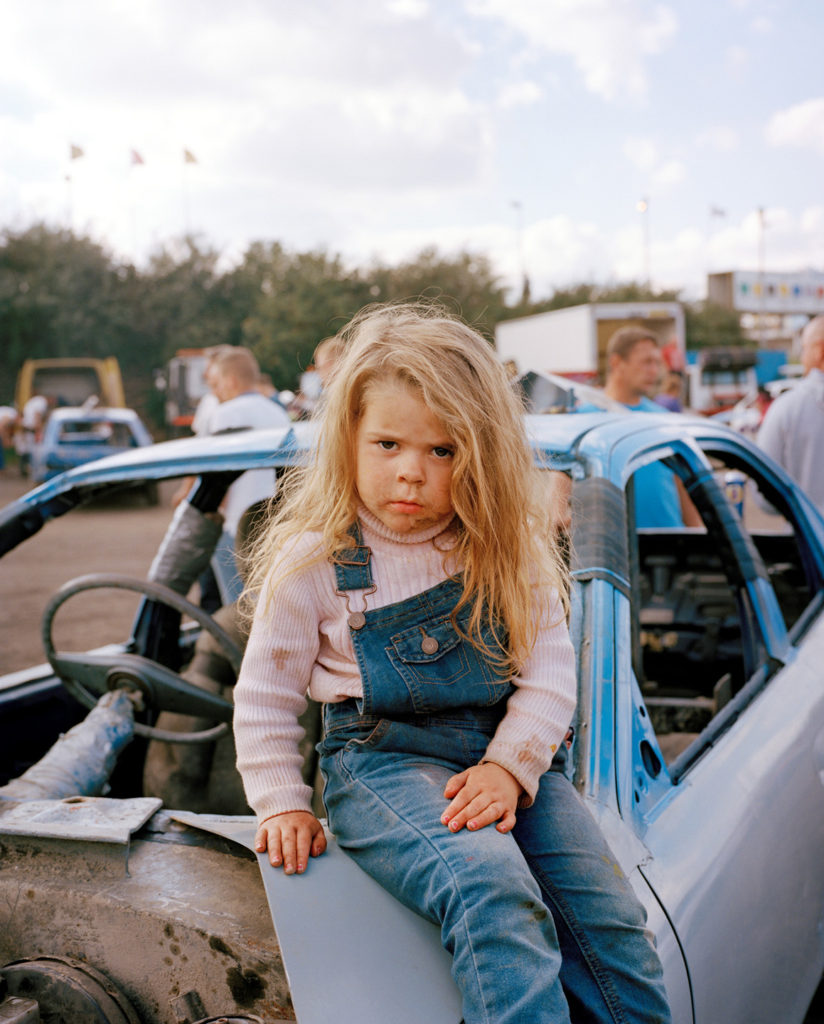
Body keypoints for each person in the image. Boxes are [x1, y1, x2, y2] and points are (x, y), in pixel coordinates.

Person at [233, 303, 671, 1024]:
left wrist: (510, 767)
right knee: (489, 892)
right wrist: (282, 801)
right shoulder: (312, 558)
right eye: (388, 444)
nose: (411, 473)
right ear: (347, 438)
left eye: (443, 451)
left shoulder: (507, 546)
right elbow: (266, 695)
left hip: (511, 762)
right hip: (380, 762)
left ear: (484, 452)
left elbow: (551, 674)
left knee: (613, 923)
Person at [590, 327, 700, 528]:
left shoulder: (663, 418)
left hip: (671, 546)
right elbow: (562, 483)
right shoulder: (588, 416)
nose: (654, 371)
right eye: (646, 362)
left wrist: (700, 539)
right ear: (617, 363)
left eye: (657, 363)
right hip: (614, 551)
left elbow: (682, 485)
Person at [757, 314, 824, 512]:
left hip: (809, 538)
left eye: (803, 349)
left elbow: (764, 497)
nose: (802, 358)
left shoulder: (787, 408)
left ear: (819, 351)